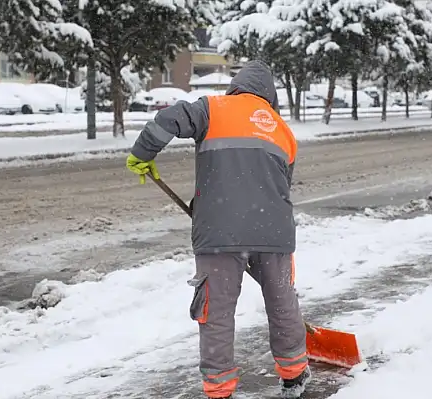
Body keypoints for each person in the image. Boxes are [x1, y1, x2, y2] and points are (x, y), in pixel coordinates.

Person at [125, 60, 310, 399]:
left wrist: (143, 153)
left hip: (219, 234)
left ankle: (219, 388)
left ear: (236, 86)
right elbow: (283, 186)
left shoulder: (212, 108)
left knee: (217, 312)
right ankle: (295, 372)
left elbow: (169, 120)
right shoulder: (283, 130)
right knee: (282, 302)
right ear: (270, 95)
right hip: (275, 232)